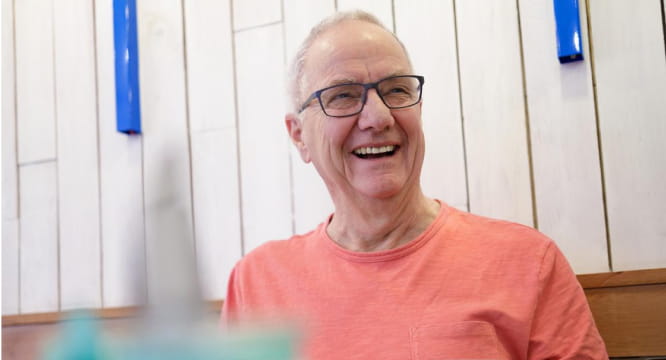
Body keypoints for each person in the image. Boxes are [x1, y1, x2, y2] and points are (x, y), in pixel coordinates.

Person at [222, 10, 608, 360]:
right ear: (299, 135)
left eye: (396, 90)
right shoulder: (256, 282)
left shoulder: (529, 263)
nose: (378, 116)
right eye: (342, 96)